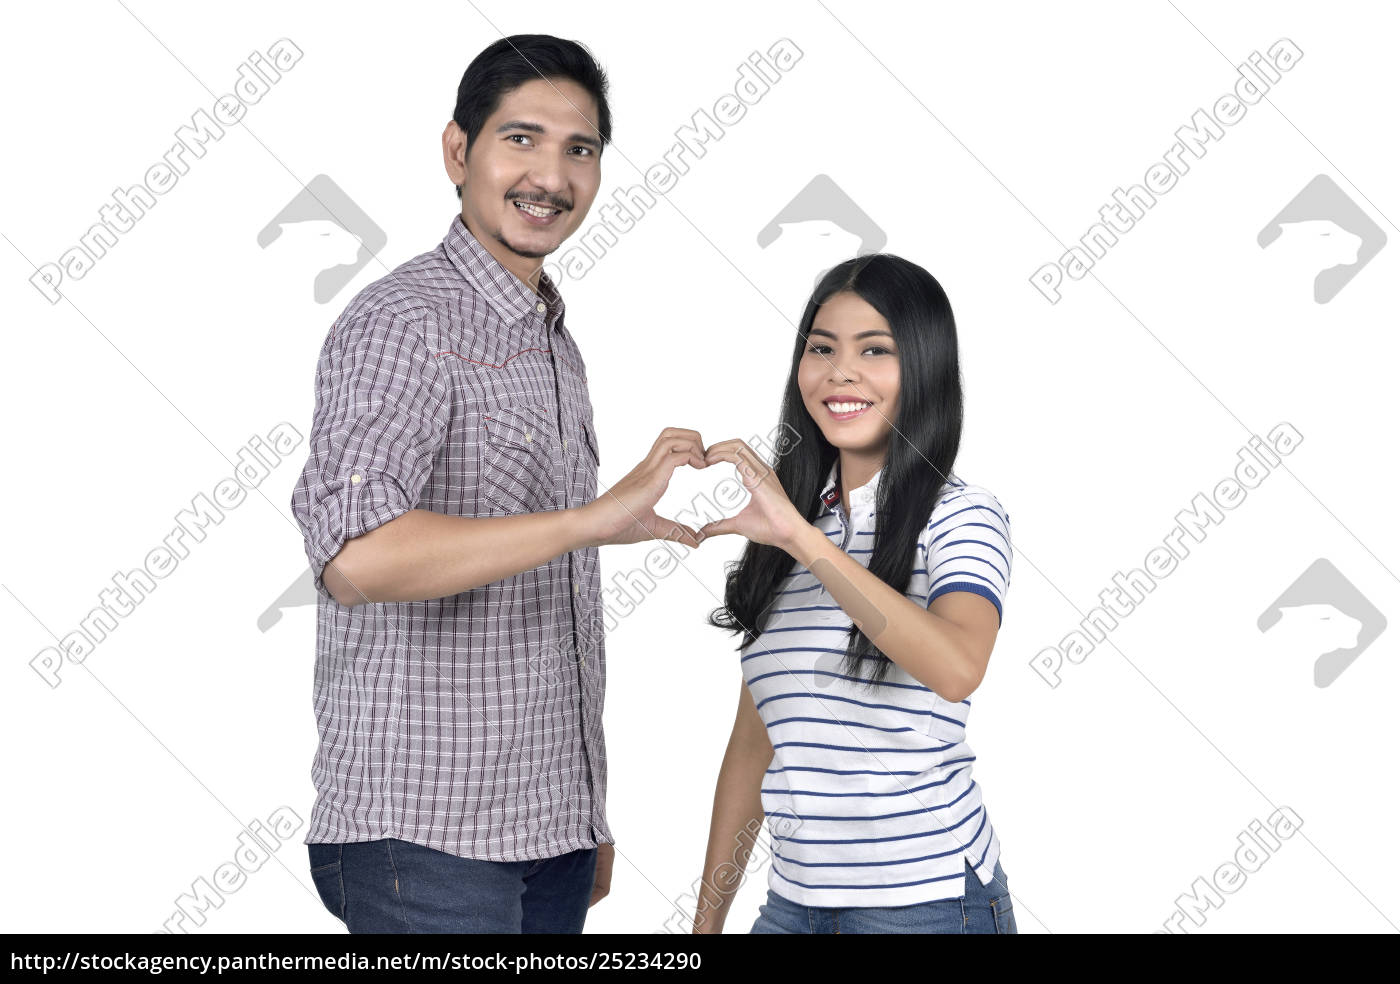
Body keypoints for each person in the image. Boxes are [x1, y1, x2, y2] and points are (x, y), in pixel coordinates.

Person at [290, 34, 708, 934]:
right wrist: (586, 520)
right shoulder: (405, 321)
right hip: (424, 838)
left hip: (544, 830)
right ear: (457, 151)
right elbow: (357, 560)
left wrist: (583, 815)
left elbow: (548, 586)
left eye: (579, 150)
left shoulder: (551, 337)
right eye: (521, 139)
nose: (550, 176)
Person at [692, 253, 1018, 934]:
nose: (841, 372)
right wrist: (706, 926)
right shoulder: (793, 529)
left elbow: (958, 667)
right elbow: (755, 746)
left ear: (922, 369)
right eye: (821, 349)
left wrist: (803, 541)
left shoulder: (960, 516)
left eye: (875, 350)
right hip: (794, 906)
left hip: (925, 903)